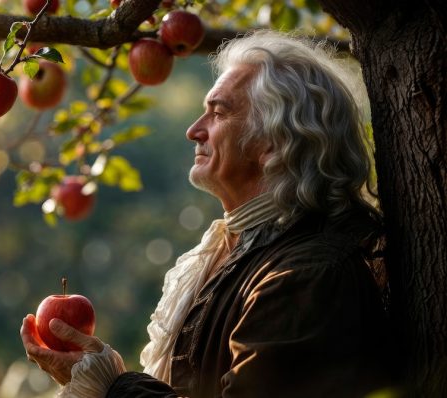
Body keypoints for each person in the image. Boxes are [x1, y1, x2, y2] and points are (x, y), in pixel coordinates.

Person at [21, 30, 393, 397]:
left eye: (218, 113)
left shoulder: (307, 277)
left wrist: (113, 387)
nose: (193, 131)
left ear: (273, 141)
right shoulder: (238, 250)